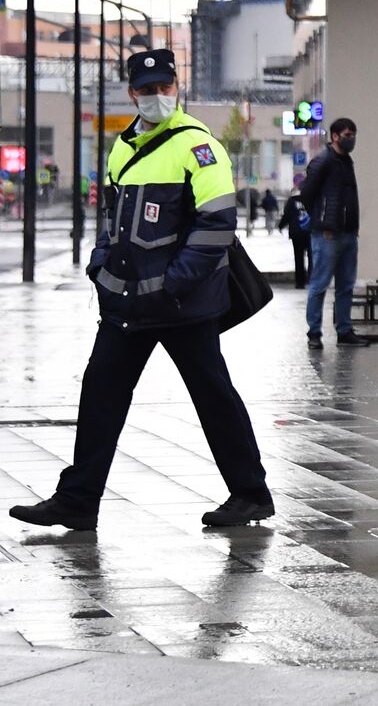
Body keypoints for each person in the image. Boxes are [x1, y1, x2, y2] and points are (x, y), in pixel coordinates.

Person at [8, 48, 275, 531]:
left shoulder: (199, 145)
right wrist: (100, 263)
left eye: (164, 87)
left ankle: (251, 495)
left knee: (214, 396)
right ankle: (77, 501)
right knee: (100, 394)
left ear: (177, 87)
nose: (157, 96)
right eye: (147, 90)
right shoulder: (123, 148)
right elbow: (111, 218)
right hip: (127, 305)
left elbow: (217, 224)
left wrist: (175, 282)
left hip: (182, 306)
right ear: (132, 94)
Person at [299, 118, 371, 349]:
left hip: (348, 233)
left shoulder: (345, 162)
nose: (352, 139)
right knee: (319, 284)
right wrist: (321, 219)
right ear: (335, 136)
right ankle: (314, 333)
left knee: (346, 286)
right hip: (327, 234)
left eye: (354, 134)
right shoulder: (323, 161)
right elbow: (307, 194)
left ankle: (345, 330)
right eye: (348, 135)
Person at [277, 176, 312, 289]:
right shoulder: (312, 199)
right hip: (310, 232)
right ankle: (312, 280)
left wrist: (281, 226)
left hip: (297, 233)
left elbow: (287, 215)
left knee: (298, 257)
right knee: (312, 257)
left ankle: (300, 282)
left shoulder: (292, 200)